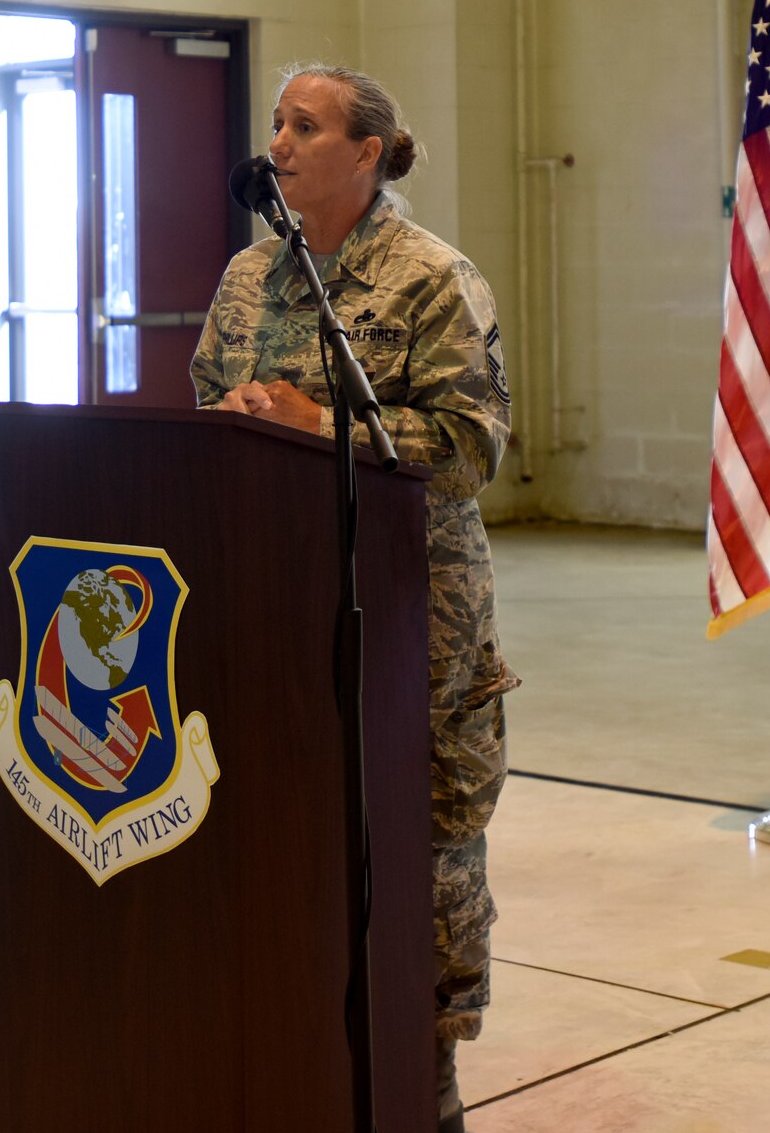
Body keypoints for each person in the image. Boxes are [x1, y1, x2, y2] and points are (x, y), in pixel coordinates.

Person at [191, 64, 516, 1133]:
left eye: (305, 125)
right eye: (275, 124)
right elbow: (204, 403)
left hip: (415, 623)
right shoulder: (248, 279)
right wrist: (237, 411)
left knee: (422, 855)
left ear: (367, 153)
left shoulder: (430, 279)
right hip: (275, 617)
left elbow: (471, 450)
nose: (277, 142)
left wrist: (316, 425)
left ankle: (425, 1092)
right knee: (288, 852)